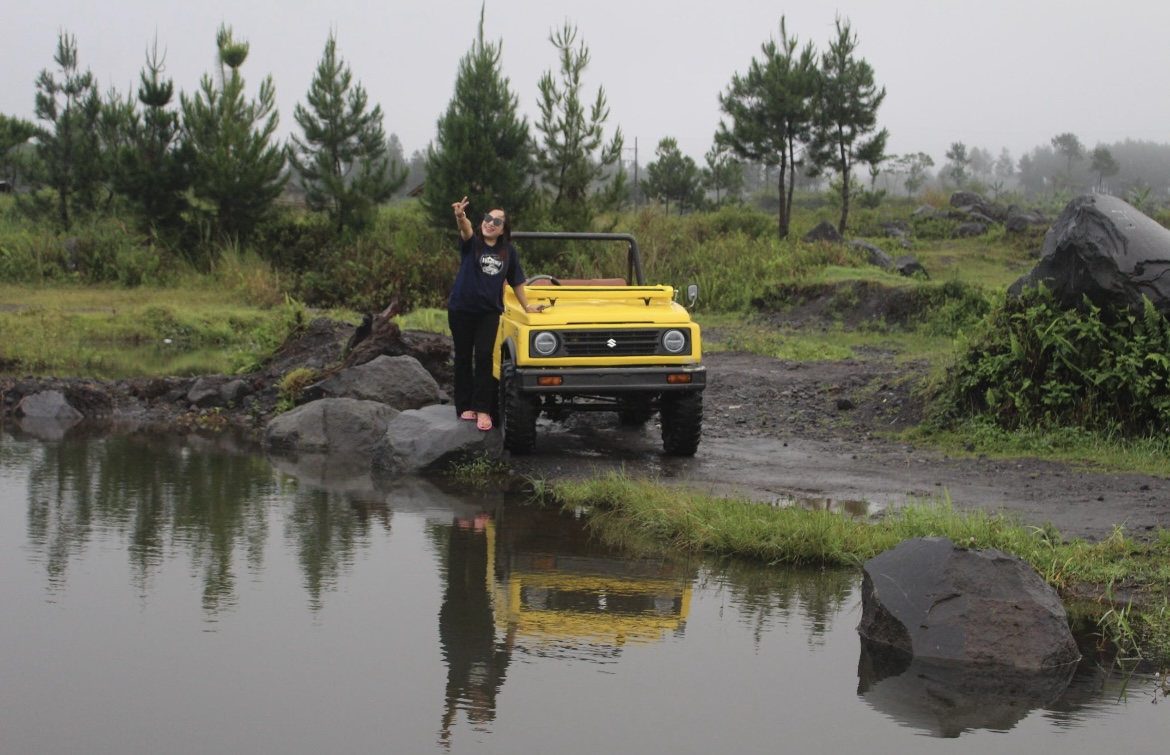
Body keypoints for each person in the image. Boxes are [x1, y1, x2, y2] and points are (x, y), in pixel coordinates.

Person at [448, 197, 542, 431]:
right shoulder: (473, 243)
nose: (490, 223)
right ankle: (464, 407)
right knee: (462, 357)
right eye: (488, 218)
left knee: (484, 357)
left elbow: (516, 281)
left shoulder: (508, 251)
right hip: (461, 309)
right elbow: (466, 229)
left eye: (497, 222)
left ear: (503, 229)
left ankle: (482, 409)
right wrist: (460, 216)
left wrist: (527, 306)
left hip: (489, 312)